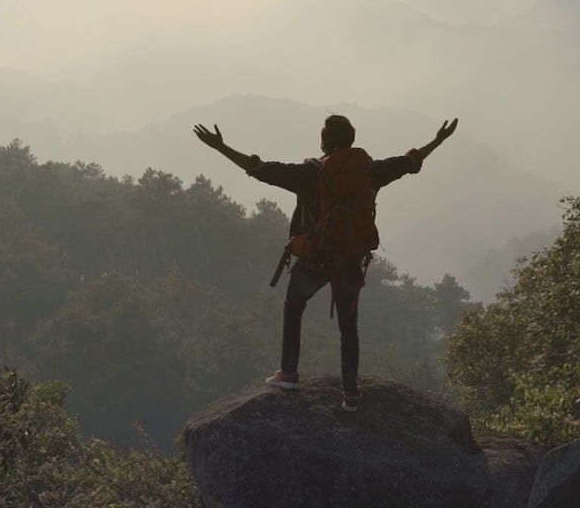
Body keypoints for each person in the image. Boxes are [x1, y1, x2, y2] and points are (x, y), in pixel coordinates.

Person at [193, 114, 458, 412]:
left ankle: (289, 373)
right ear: (352, 140)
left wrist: (220, 147)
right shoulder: (368, 171)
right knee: (349, 328)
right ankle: (350, 392)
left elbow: (260, 169)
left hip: (316, 259)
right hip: (350, 259)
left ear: (324, 142)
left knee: (294, 305)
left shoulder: (311, 174)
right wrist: (439, 139)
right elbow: (409, 162)